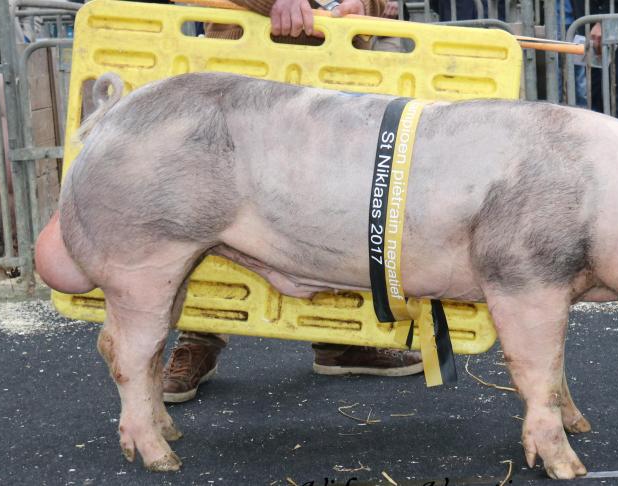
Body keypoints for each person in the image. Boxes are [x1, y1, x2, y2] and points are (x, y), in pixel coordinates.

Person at [162, 0, 424, 404]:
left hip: (331, 70)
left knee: (330, 200)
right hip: (238, 64)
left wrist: (364, 4)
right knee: (213, 201)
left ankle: (340, 336)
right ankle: (199, 335)